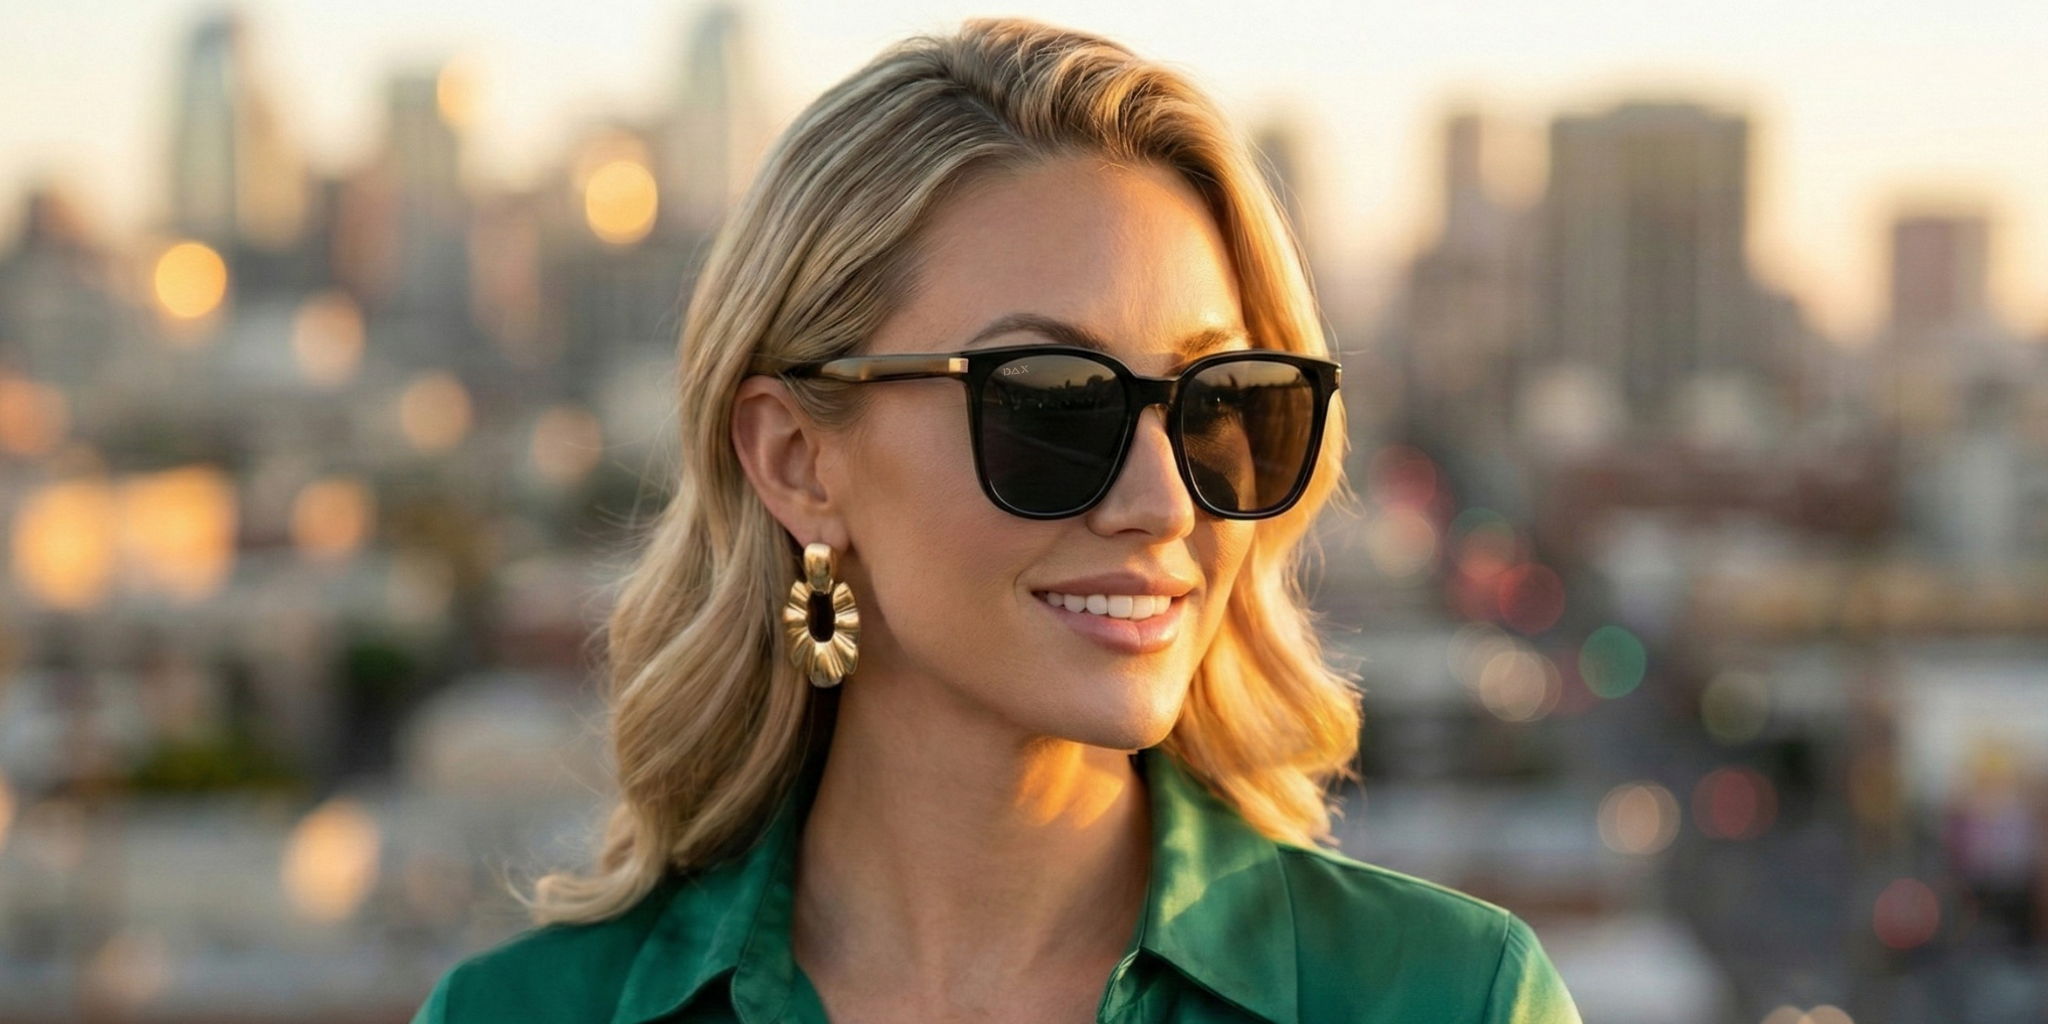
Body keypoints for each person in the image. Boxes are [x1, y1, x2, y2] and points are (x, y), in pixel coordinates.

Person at [410, 18, 1581, 1024]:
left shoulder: (1446, 996)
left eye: (1217, 407)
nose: (1162, 500)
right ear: (796, 458)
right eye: (1052, 406)